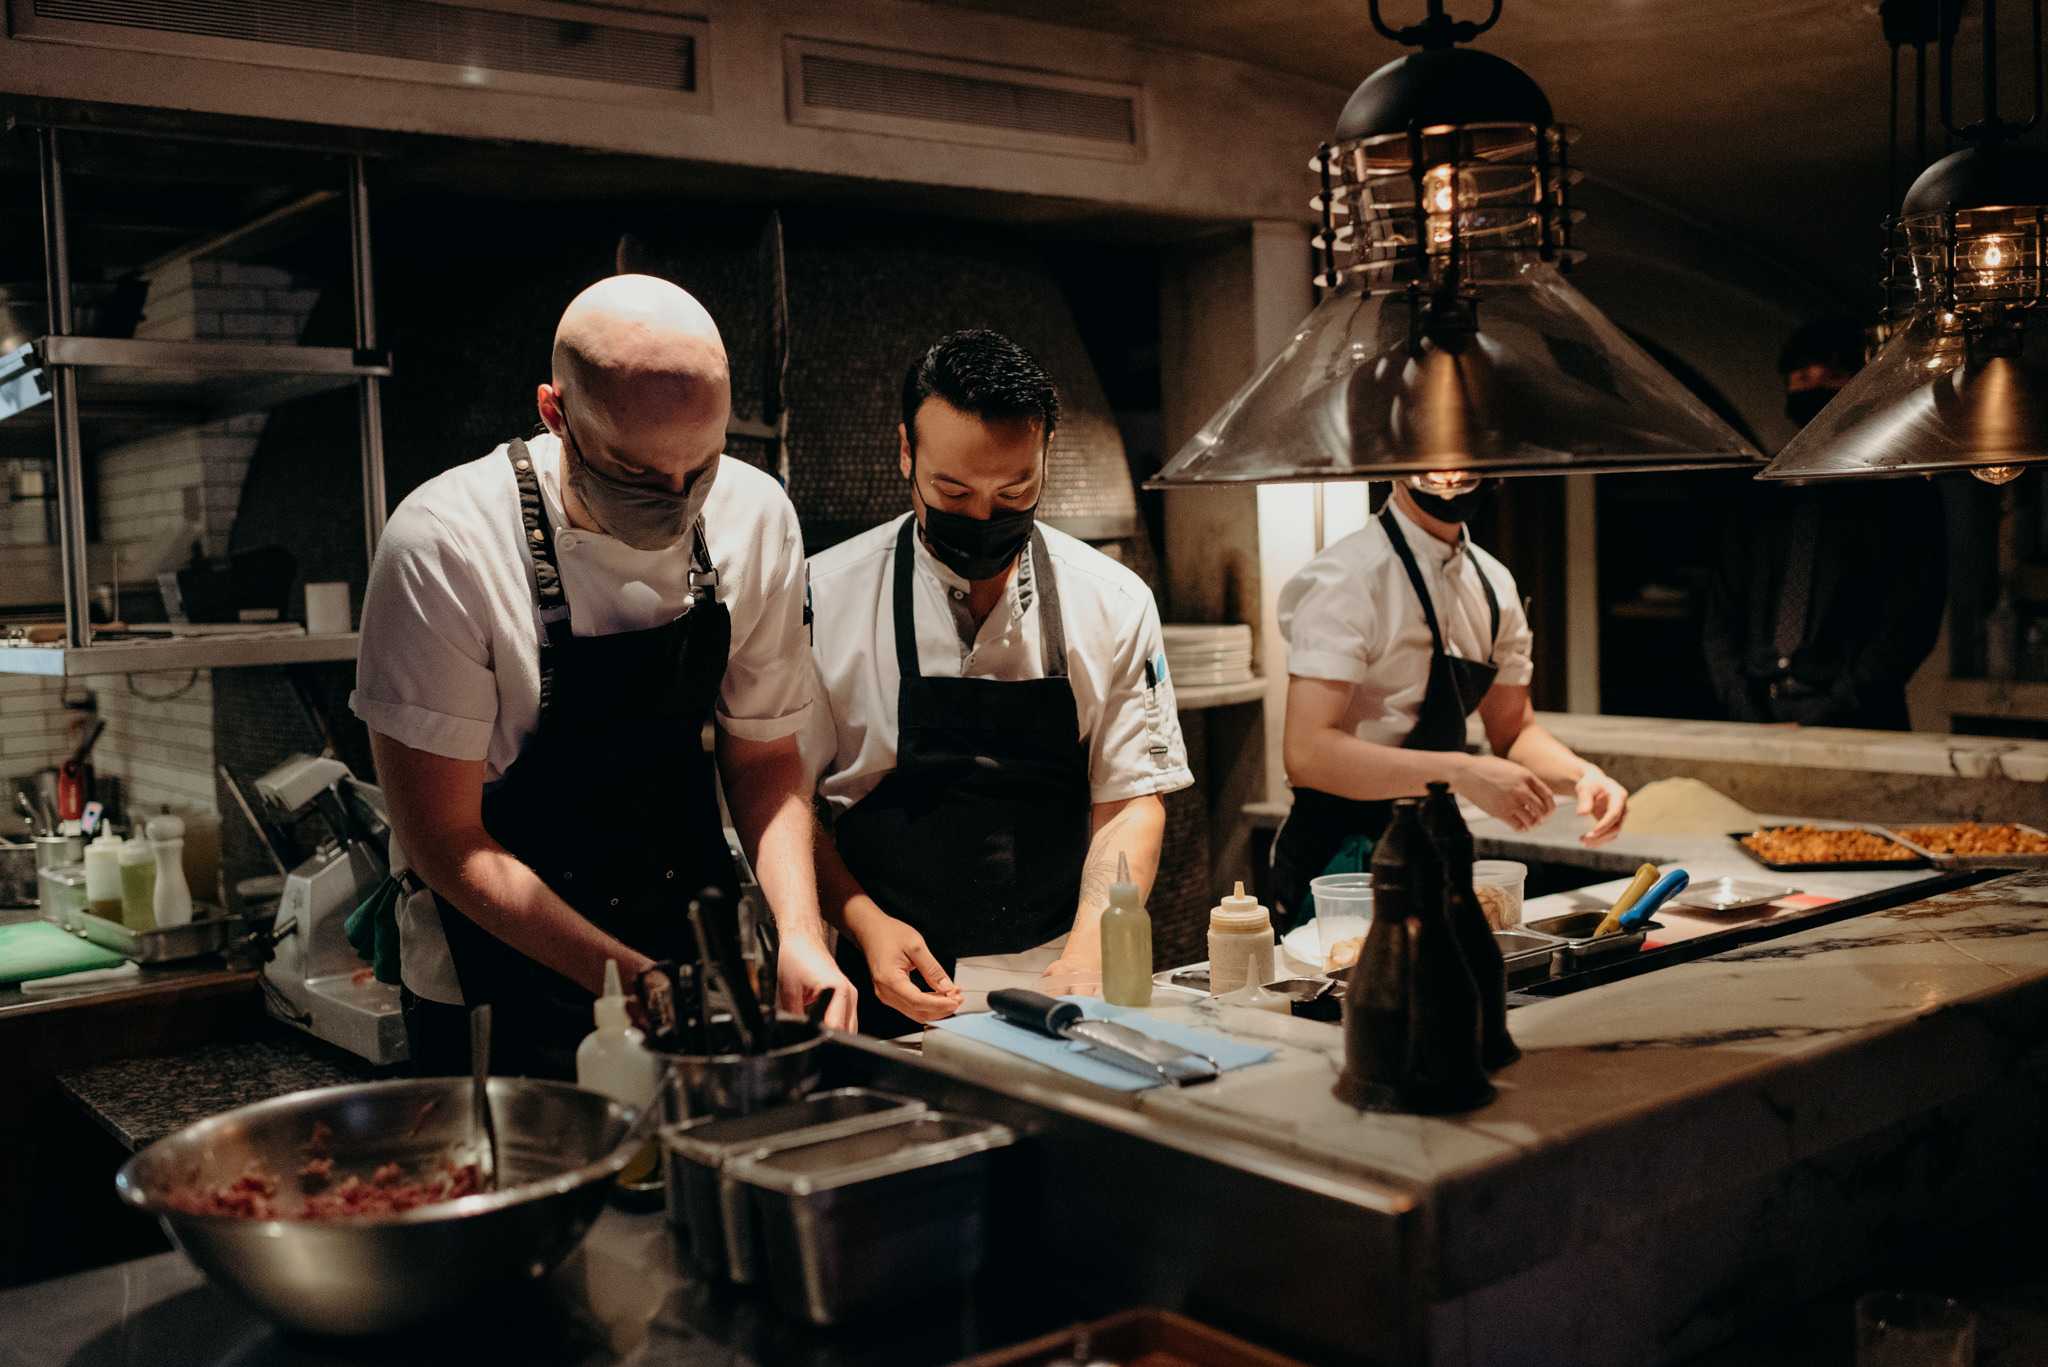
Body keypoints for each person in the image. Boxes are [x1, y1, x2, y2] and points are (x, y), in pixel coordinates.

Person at [351, 274, 856, 1078]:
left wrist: (798, 929)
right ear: (555, 413)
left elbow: (762, 758)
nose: (677, 499)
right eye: (637, 473)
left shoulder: (756, 518)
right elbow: (442, 836)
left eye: (703, 467)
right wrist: (631, 981)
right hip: (495, 971)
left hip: (692, 946)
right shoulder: (444, 547)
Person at [802, 330, 1194, 1037]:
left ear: (1046, 460)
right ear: (905, 453)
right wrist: (863, 923)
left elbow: (1132, 799)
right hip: (888, 982)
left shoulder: (1112, 599)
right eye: (954, 490)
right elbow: (787, 805)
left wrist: (1091, 946)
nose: (984, 516)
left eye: (1015, 490)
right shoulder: (821, 599)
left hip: (1059, 981)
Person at [1271, 475, 1629, 928]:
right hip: (1340, 859)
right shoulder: (1347, 578)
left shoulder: (1494, 585)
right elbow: (1307, 753)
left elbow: (1514, 732)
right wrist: (1461, 773)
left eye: (1465, 465)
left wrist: (1582, 776)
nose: (1450, 481)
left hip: (1438, 844)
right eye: (1432, 467)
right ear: (1399, 466)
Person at [1702, 320, 1946, 729]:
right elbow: (1723, 613)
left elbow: (1910, 623)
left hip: (1860, 717)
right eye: (1802, 378)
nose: (1816, 389)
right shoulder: (1760, 491)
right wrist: (1746, 709)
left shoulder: (1901, 491)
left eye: (1833, 377)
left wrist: (1832, 709)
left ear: (1858, 385)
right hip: (1760, 713)